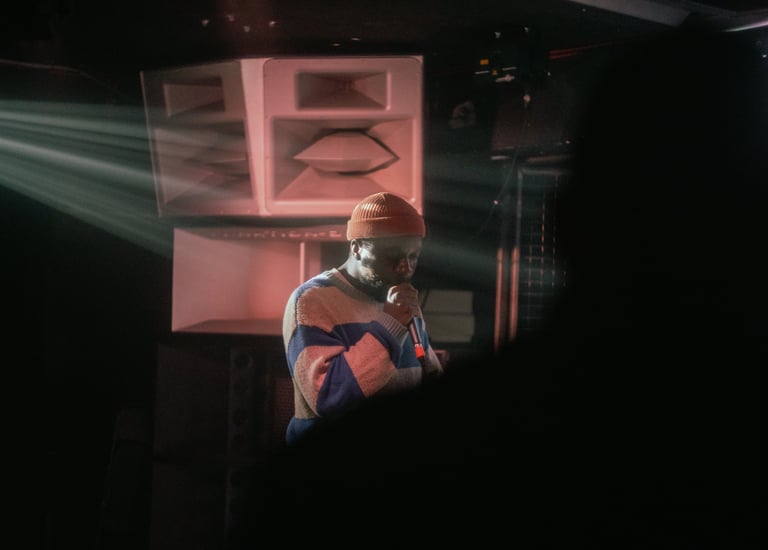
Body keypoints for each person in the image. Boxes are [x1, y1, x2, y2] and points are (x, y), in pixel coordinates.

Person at [281, 191, 443, 445]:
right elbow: (328, 396)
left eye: (413, 256)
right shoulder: (311, 299)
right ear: (356, 248)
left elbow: (426, 368)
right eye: (392, 255)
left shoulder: (399, 300)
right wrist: (390, 327)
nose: (405, 267)